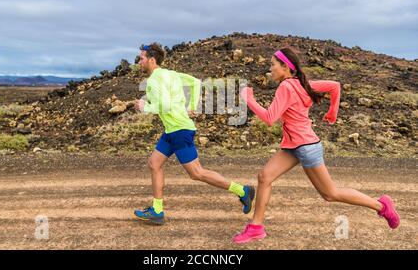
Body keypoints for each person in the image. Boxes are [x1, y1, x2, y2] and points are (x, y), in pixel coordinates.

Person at [233, 47, 400, 243]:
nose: (270, 69)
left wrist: (249, 100)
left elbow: (270, 118)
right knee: (264, 177)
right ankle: (256, 227)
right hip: (293, 146)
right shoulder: (303, 84)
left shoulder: (286, 87)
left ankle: (382, 205)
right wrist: (332, 112)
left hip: (306, 148)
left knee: (330, 194)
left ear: (285, 67)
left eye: (272, 64)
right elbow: (334, 86)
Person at [133, 42, 255, 225]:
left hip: (179, 131)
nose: (139, 61)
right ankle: (157, 210)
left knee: (197, 173)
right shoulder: (171, 74)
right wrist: (191, 107)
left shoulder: (154, 80)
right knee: (154, 163)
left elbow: (164, 106)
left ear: (151, 60)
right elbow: (195, 82)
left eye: (141, 58)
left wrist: (145, 106)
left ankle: (242, 191)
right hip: (171, 130)